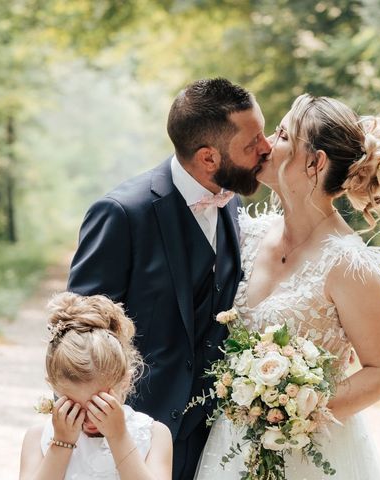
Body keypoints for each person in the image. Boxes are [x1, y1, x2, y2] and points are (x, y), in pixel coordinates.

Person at [196, 93, 380, 479]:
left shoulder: (349, 264)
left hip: (310, 455)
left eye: (281, 135)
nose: (264, 145)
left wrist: (299, 409)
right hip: (230, 445)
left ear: (316, 162)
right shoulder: (246, 234)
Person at [66, 77, 271, 480]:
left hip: (216, 434)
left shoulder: (231, 204)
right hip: (134, 434)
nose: (266, 148)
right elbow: (78, 334)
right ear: (208, 158)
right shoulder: (122, 213)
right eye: (252, 143)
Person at [19, 292, 173, 480]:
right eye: (75, 408)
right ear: (54, 387)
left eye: (99, 404)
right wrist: (62, 443)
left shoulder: (154, 435)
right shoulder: (38, 438)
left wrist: (118, 437)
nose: (90, 418)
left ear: (125, 381)